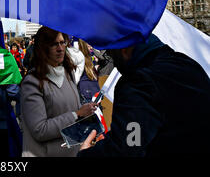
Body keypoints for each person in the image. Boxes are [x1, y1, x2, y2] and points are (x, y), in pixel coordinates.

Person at [78, 34, 210, 156]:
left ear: (124, 49)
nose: (116, 65)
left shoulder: (139, 82)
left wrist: (87, 154)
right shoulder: (187, 64)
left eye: (112, 54)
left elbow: (128, 146)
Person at [20, 26, 98, 157]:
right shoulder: (32, 82)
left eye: (62, 43)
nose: (60, 48)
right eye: (54, 44)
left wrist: (87, 115)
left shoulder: (68, 74)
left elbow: (72, 109)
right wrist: (77, 114)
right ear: (43, 48)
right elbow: (40, 130)